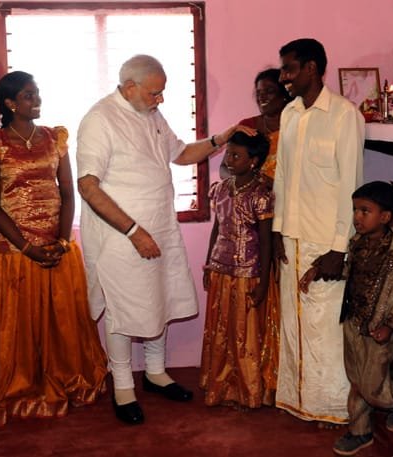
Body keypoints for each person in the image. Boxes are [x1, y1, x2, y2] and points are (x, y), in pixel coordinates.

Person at [77, 54, 253, 425]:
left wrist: (222, 138)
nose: (160, 100)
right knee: (124, 308)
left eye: (162, 93)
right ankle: (123, 386)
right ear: (129, 87)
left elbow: (182, 153)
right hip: (121, 235)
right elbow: (88, 186)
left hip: (160, 225)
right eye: (154, 93)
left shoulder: (152, 114)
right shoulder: (100, 119)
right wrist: (133, 231)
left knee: (160, 297)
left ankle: (156, 373)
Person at [0, 71, 108, 426]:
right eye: (28, 95)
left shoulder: (54, 138)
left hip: (56, 245)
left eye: (37, 94)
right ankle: (24, 383)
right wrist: (26, 247)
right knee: (19, 323)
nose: (37, 101)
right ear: (9, 103)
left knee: (61, 320)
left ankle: (66, 376)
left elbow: (67, 192)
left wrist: (62, 242)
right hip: (15, 249)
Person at [272, 38, 364, 427]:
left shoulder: (344, 115)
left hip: (326, 241)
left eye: (289, 69)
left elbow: (351, 186)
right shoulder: (289, 113)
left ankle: (333, 406)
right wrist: (277, 230)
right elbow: (281, 175)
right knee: (294, 325)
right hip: (291, 238)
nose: (283, 77)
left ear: (311, 68)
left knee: (325, 329)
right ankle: (299, 401)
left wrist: (339, 249)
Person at [325, 181, 393, 456]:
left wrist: (390, 325)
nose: (357, 217)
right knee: (357, 381)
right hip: (353, 323)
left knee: (373, 387)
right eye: (355, 210)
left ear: (385, 217)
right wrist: (323, 268)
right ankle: (360, 431)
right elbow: (351, 274)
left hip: (378, 330)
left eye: (364, 211)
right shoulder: (357, 243)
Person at [199, 131, 279, 409]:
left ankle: (248, 389)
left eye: (236, 155)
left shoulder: (261, 195)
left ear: (253, 161)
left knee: (245, 333)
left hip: (248, 272)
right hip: (221, 268)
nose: (229, 160)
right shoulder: (220, 189)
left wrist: (264, 282)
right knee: (221, 330)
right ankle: (221, 385)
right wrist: (208, 263)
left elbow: (266, 241)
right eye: (228, 154)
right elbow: (217, 229)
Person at [221, 68, 293, 182]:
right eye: (259, 93)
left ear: (284, 94)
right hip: (253, 192)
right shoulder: (247, 126)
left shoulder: (297, 125)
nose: (261, 97)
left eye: (269, 91)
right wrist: (253, 183)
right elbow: (224, 169)